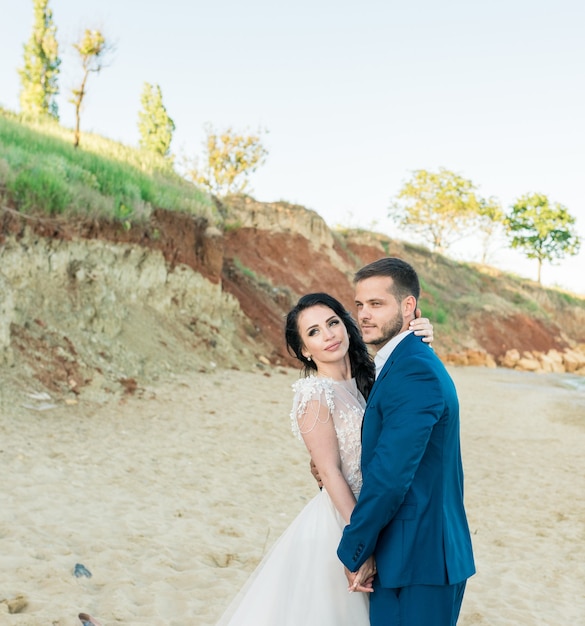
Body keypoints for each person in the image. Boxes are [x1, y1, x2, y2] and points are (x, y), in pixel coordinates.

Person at [214, 292, 434, 625]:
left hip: (380, 513)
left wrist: (425, 334)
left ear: (346, 326)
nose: (328, 335)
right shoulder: (314, 393)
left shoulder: (374, 378)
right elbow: (329, 472)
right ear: (305, 350)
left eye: (332, 323)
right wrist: (360, 542)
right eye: (313, 332)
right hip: (342, 522)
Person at [336, 257, 475, 626]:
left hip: (418, 560)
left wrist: (355, 549)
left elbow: (390, 475)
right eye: (360, 305)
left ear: (408, 306)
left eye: (377, 304)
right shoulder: (404, 361)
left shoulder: (413, 368)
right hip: (415, 557)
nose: (364, 315)